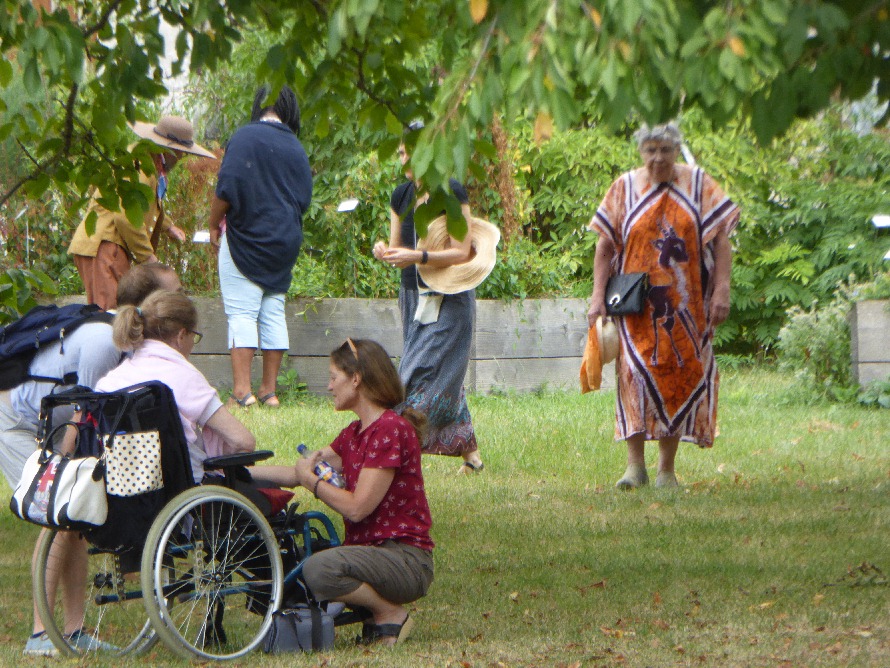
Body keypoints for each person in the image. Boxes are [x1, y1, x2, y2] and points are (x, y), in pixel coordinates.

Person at [0, 263, 181, 656]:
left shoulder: (127, 342)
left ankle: (73, 630)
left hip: (51, 420)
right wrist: (62, 475)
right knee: (60, 514)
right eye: (175, 292)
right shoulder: (104, 342)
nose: (182, 300)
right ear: (149, 302)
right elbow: (82, 417)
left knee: (75, 521)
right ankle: (40, 635)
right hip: (14, 420)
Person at [587, 122, 739, 489]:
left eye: (665, 150)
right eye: (650, 149)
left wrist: (722, 289)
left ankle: (666, 470)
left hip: (690, 304)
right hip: (634, 303)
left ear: (676, 150)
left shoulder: (699, 184)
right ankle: (634, 467)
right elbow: (605, 245)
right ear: (641, 151)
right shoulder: (624, 187)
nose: (657, 157)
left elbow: (720, 242)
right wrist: (597, 297)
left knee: (680, 375)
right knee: (633, 376)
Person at [293, 339, 434, 646]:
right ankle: (376, 615)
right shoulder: (354, 434)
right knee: (302, 557)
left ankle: (389, 614)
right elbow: (303, 468)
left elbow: (357, 508)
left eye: (333, 377)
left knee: (318, 568)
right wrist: (240, 472)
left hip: (404, 559)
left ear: (355, 378)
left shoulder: (390, 430)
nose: (329, 386)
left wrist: (314, 484)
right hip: (375, 555)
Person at [94, 290, 298, 490]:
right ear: (182, 335)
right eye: (195, 336)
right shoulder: (183, 377)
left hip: (122, 491)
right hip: (184, 491)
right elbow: (242, 442)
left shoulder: (110, 382)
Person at [371, 124, 484, 474]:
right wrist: (383, 252)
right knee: (440, 372)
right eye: (401, 153)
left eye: (409, 152)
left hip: (449, 296)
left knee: (413, 374)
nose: (403, 159)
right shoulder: (400, 195)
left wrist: (419, 257)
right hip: (412, 297)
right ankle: (471, 455)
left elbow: (463, 251)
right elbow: (396, 249)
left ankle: (394, 455)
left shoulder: (451, 192)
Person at [208, 85, 313, 409]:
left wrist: (213, 224)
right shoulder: (296, 147)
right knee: (272, 311)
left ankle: (242, 391)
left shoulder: (244, 137)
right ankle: (269, 392)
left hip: (247, 240)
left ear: (259, 106)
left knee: (241, 312)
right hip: (284, 243)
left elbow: (226, 188)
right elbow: (304, 200)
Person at [68, 116, 214, 309]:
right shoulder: (140, 166)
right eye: (181, 154)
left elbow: (142, 206)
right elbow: (126, 217)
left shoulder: (150, 164)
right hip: (104, 247)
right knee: (110, 317)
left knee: (119, 315)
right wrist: (147, 257)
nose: (181, 159)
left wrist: (168, 226)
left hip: (109, 248)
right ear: (169, 150)